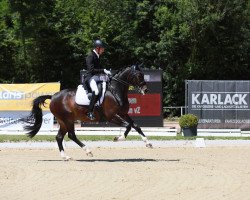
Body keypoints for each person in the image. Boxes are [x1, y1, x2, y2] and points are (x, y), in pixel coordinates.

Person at [84, 39, 111, 120]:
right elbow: (91, 70)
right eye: (102, 48)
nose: (103, 50)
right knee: (95, 91)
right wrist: (103, 70)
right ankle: (89, 112)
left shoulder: (97, 56)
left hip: (96, 78)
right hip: (90, 78)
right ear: (97, 48)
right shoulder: (90, 56)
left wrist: (105, 74)